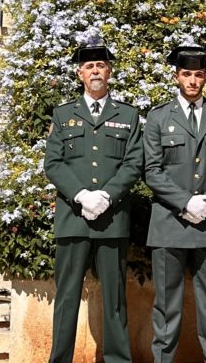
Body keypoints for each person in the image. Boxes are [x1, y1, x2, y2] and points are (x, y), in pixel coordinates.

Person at [44, 45, 144, 363]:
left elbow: (134, 162)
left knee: (114, 298)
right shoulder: (63, 115)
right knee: (67, 297)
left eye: (101, 65)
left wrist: (107, 195)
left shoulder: (127, 116)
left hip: (112, 218)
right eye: (90, 67)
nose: (96, 71)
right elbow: (53, 163)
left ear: (110, 72)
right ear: (80, 74)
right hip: (73, 218)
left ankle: (117, 359)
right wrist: (81, 195)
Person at [143, 45, 206, 363]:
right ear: (177, 77)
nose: (193, 81)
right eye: (187, 74)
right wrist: (186, 202)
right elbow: (152, 171)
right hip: (169, 224)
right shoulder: (158, 118)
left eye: (199, 75)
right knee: (167, 307)